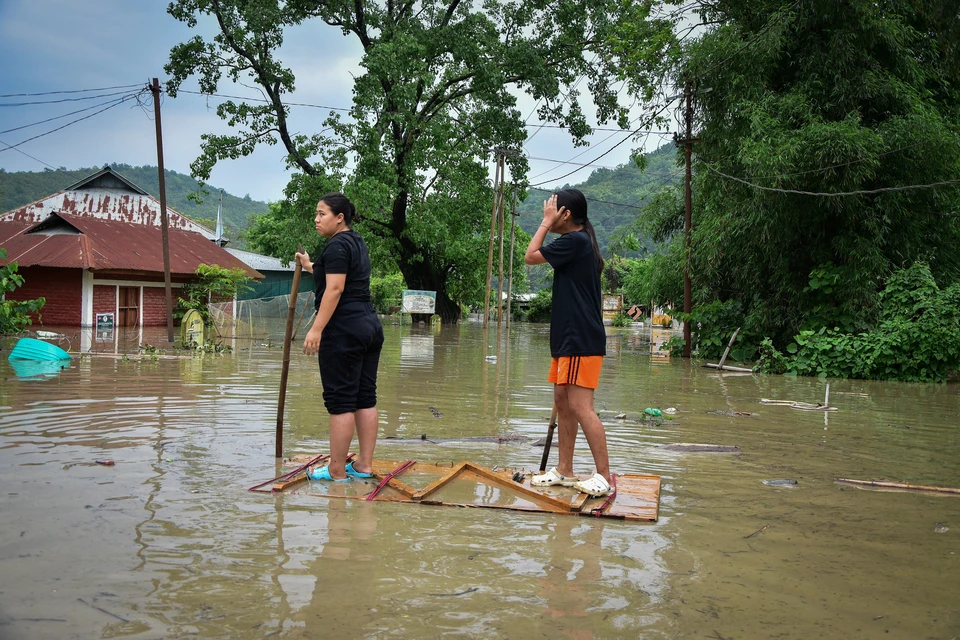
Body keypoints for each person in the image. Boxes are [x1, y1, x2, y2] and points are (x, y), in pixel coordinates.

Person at [524, 189, 612, 497]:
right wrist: (550, 219)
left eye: (553, 209)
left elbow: (530, 256)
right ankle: (564, 470)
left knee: (580, 406)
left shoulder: (575, 241)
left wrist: (545, 224)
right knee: (563, 402)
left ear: (566, 215)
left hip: (579, 339)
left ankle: (603, 476)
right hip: (567, 339)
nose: (547, 212)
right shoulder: (578, 242)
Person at [296, 193, 384, 481]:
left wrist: (317, 328)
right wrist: (311, 266)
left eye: (322, 214)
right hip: (369, 325)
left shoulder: (336, 247)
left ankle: (336, 471)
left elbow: (334, 289)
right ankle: (363, 466)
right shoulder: (355, 242)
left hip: (344, 328)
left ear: (339, 217)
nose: (316, 219)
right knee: (364, 397)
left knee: (341, 400)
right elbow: (336, 276)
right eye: (316, 214)